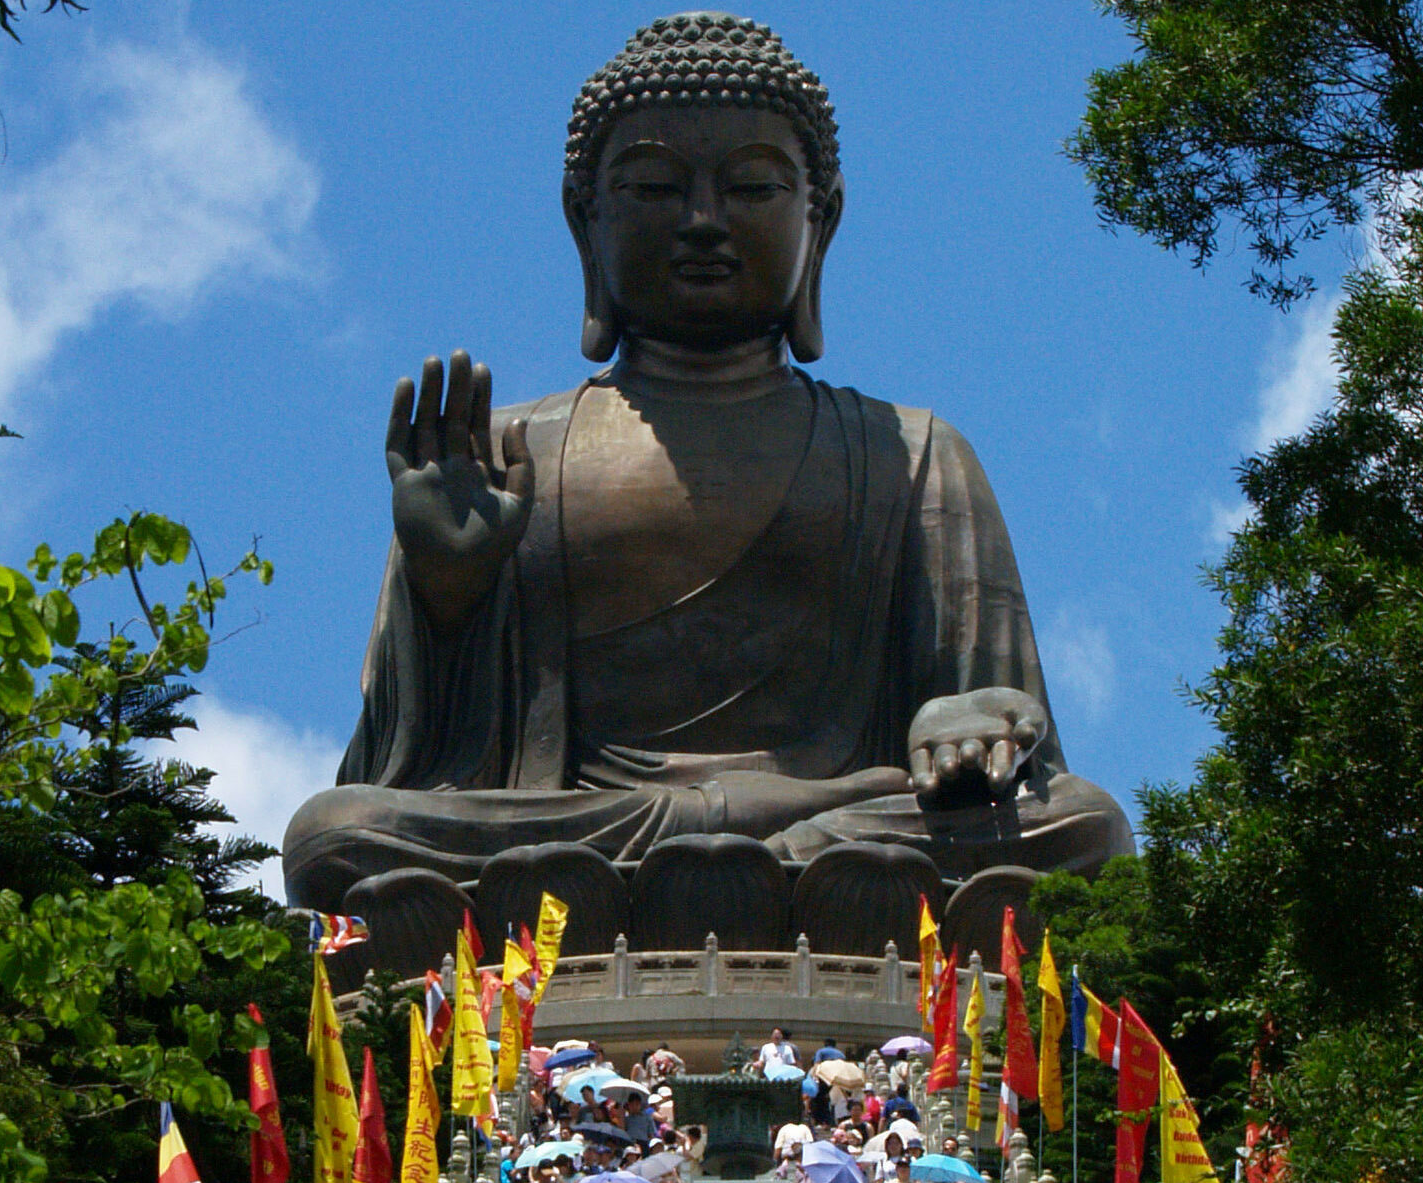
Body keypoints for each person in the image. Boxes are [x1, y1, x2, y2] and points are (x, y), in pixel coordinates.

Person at [281, 10, 1134, 971]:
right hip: (584, 830)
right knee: (334, 832)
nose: (702, 219)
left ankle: (744, 886)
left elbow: (1013, 751)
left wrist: (968, 722)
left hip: (839, 821)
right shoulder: (503, 451)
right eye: (651, 187)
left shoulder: (912, 451)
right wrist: (448, 600)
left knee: (1082, 826)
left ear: (822, 218)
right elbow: (413, 772)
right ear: (584, 221)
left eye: (752, 187)